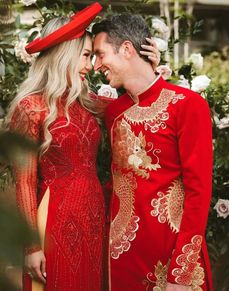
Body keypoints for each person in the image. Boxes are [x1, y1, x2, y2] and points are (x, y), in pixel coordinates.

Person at [6, 3, 159, 291]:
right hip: (54, 220)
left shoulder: (88, 103)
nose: (91, 66)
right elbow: (24, 182)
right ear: (65, 55)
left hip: (95, 217)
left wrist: (149, 70)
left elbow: (138, 109)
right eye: (86, 56)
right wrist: (31, 247)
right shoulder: (31, 107)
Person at [92, 13, 213, 291]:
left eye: (100, 54)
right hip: (122, 261)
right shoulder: (114, 112)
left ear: (126, 49)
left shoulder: (188, 105)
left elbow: (199, 191)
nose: (96, 64)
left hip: (173, 260)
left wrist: (180, 274)